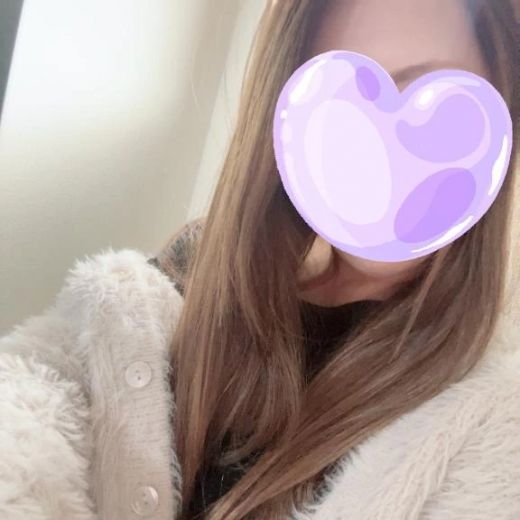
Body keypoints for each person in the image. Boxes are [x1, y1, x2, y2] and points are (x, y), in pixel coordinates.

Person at [1, 1, 519, 519]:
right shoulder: (186, 276)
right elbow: (37, 399)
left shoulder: (493, 413)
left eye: (430, 101)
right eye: (338, 104)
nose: (379, 155)